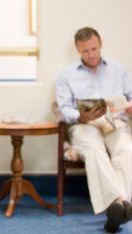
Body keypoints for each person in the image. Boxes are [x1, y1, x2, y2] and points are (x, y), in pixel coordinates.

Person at [56, 26, 132, 232]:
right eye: (85, 51)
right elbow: (64, 110)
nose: (91, 55)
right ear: (77, 50)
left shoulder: (120, 70)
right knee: (94, 150)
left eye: (94, 49)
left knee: (126, 149)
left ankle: (117, 208)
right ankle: (120, 204)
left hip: (115, 122)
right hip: (85, 125)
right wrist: (80, 115)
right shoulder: (66, 75)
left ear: (100, 45)